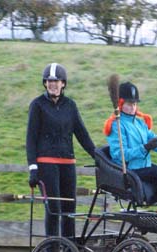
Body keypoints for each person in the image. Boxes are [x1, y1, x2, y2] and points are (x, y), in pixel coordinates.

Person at [26, 63, 96, 237]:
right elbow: (31, 138)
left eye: (56, 81)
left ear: (63, 83)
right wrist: (33, 167)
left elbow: (82, 134)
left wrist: (98, 156)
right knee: (54, 208)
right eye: (49, 81)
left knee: (69, 209)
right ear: (45, 83)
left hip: (67, 163)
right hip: (46, 164)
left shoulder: (70, 105)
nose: (53, 84)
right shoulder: (37, 105)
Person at [103, 81, 157, 213]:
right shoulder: (117, 126)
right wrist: (144, 148)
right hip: (130, 171)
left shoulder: (140, 123)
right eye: (129, 104)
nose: (133, 107)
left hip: (145, 167)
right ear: (120, 104)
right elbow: (119, 155)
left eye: (134, 104)